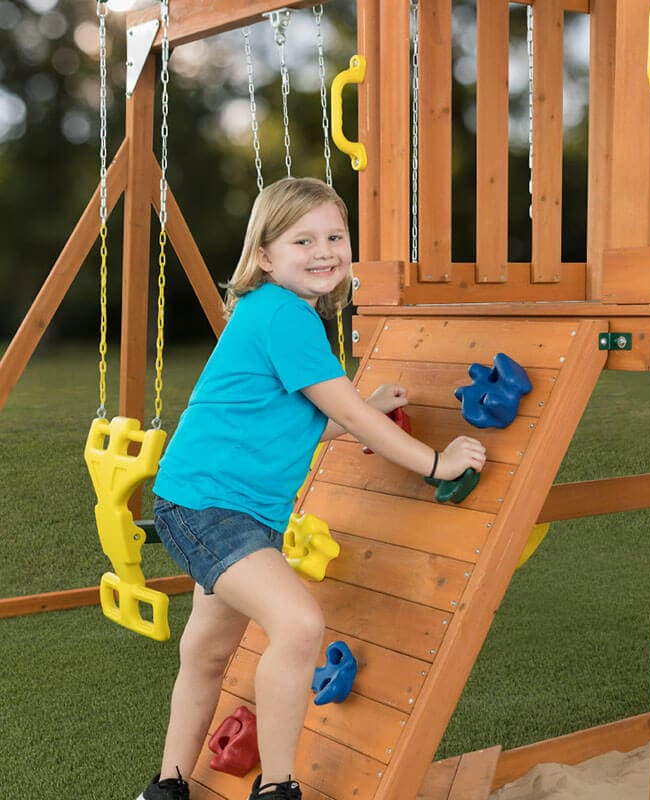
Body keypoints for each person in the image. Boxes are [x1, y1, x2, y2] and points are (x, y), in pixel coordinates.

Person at [135, 177, 486, 800]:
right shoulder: (284, 315)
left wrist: (366, 404)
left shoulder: (276, 314)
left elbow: (300, 420)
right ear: (265, 256)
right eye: (304, 240)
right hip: (209, 506)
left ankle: (166, 788)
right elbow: (347, 418)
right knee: (297, 625)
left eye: (335, 236)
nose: (324, 251)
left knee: (208, 652)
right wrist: (437, 462)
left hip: (226, 506)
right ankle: (278, 788)